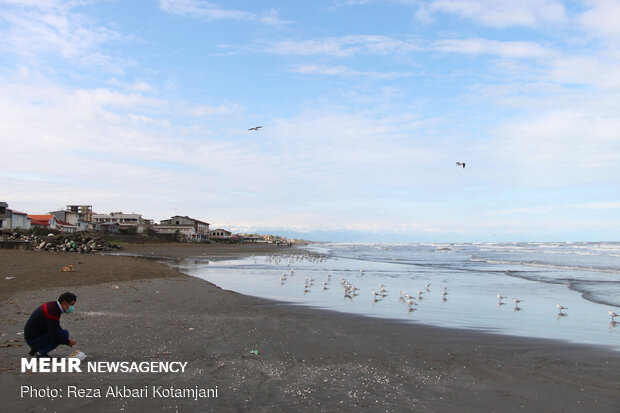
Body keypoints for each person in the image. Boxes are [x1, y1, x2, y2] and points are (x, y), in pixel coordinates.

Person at [24, 292, 77, 357]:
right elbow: (54, 335)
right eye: (72, 305)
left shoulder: (53, 305)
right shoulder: (53, 311)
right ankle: (40, 353)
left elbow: (55, 326)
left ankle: (36, 348)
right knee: (63, 335)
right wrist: (67, 342)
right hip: (32, 339)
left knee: (62, 333)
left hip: (32, 335)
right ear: (64, 304)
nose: (72, 308)